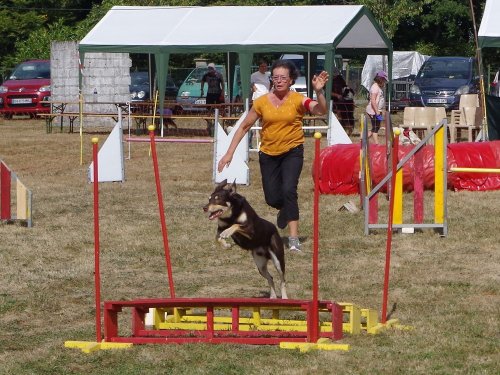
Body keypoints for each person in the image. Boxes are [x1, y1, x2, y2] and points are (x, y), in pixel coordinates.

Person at [217, 60, 329, 252]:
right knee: (272, 198)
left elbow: (321, 110)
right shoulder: (261, 102)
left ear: (291, 80)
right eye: (275, 77)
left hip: (292, 152)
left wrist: (319, 92)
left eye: (283, 78)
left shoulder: (298, 100)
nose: (278, 81)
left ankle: (293, 241)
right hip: (268, 154)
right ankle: (284, 209)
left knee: (289, 191)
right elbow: (244, 127)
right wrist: (229, 154)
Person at [365, 70, 388, 144]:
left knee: (376, 127)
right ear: (380, 79)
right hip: (373, 111)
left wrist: (381, 111)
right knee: (375, 128)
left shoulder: (378, 87)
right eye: (384, 79)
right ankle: (377, 144)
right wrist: (377, 112)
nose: (384, 81)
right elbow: (373, 101)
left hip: (378, 111)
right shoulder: (375, 87)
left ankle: (363, 140)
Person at [330, 67, 355, 135]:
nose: (335, 76)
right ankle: (341, 129)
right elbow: (328, 92)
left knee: (347, 113)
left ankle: (348, 127)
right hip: (333, 102)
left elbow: (345, 87)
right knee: (340, 113)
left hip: (342, 100)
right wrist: (337, 95)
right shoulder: (328, 80)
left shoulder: (339, 78)